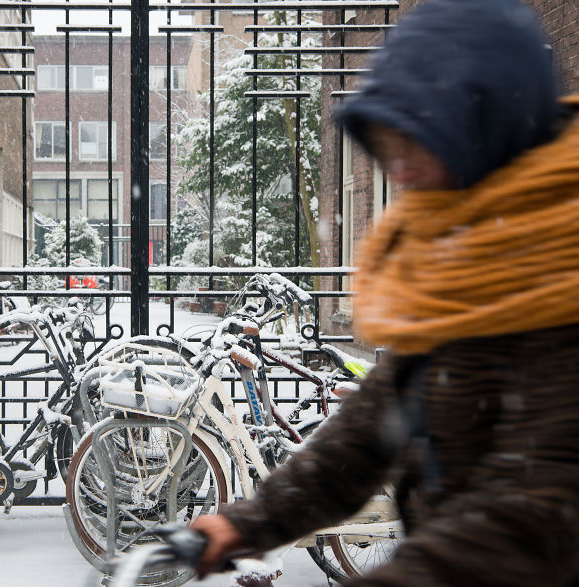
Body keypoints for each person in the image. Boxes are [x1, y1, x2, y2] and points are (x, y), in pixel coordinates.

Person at [190, 0, 579, 584]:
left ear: (483, 123)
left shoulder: (557, 261)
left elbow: (531, 516)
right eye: (388, 145)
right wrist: (244, 524)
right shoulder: (458, 260)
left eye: (416, 139)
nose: (399, 168)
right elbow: (370, 433)